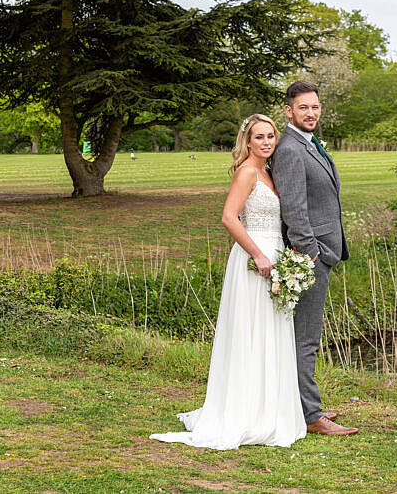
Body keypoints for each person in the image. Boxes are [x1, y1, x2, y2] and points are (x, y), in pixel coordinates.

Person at [149, 113, 306, 449]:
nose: (266, 142)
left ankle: (268, 408)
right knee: (251, 332)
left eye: (270, 137)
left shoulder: (268, 171)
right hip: (254, 259)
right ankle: (244, 411)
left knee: (270, 332)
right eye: (259, 137)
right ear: (247, 142)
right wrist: (258, 255)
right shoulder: (248, 172)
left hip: (276, 255)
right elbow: (228, 217)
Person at [270, 81, 358, 437]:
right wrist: (312, 255)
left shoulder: (310, 144)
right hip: (311, 256)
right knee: (306, 338)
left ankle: (303, 404)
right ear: (288, 111)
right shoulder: (290, 149)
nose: (311, 113)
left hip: (323, 251)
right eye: (303, 108)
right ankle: (310, 415)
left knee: (304, 335)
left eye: (315, 107)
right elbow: (293, 208)